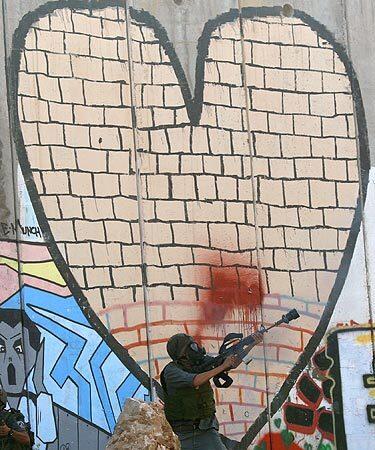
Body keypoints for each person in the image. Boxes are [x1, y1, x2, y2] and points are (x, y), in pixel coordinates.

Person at [161, 332, 263, 450]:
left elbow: (232, 363)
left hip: (206, 431)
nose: (197, 348)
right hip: (181, 434)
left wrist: (251, 345)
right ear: (182, 353)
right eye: (192, 346)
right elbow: (195, 381)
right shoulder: (171, 371)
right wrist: (222, 366)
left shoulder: (201, 363)